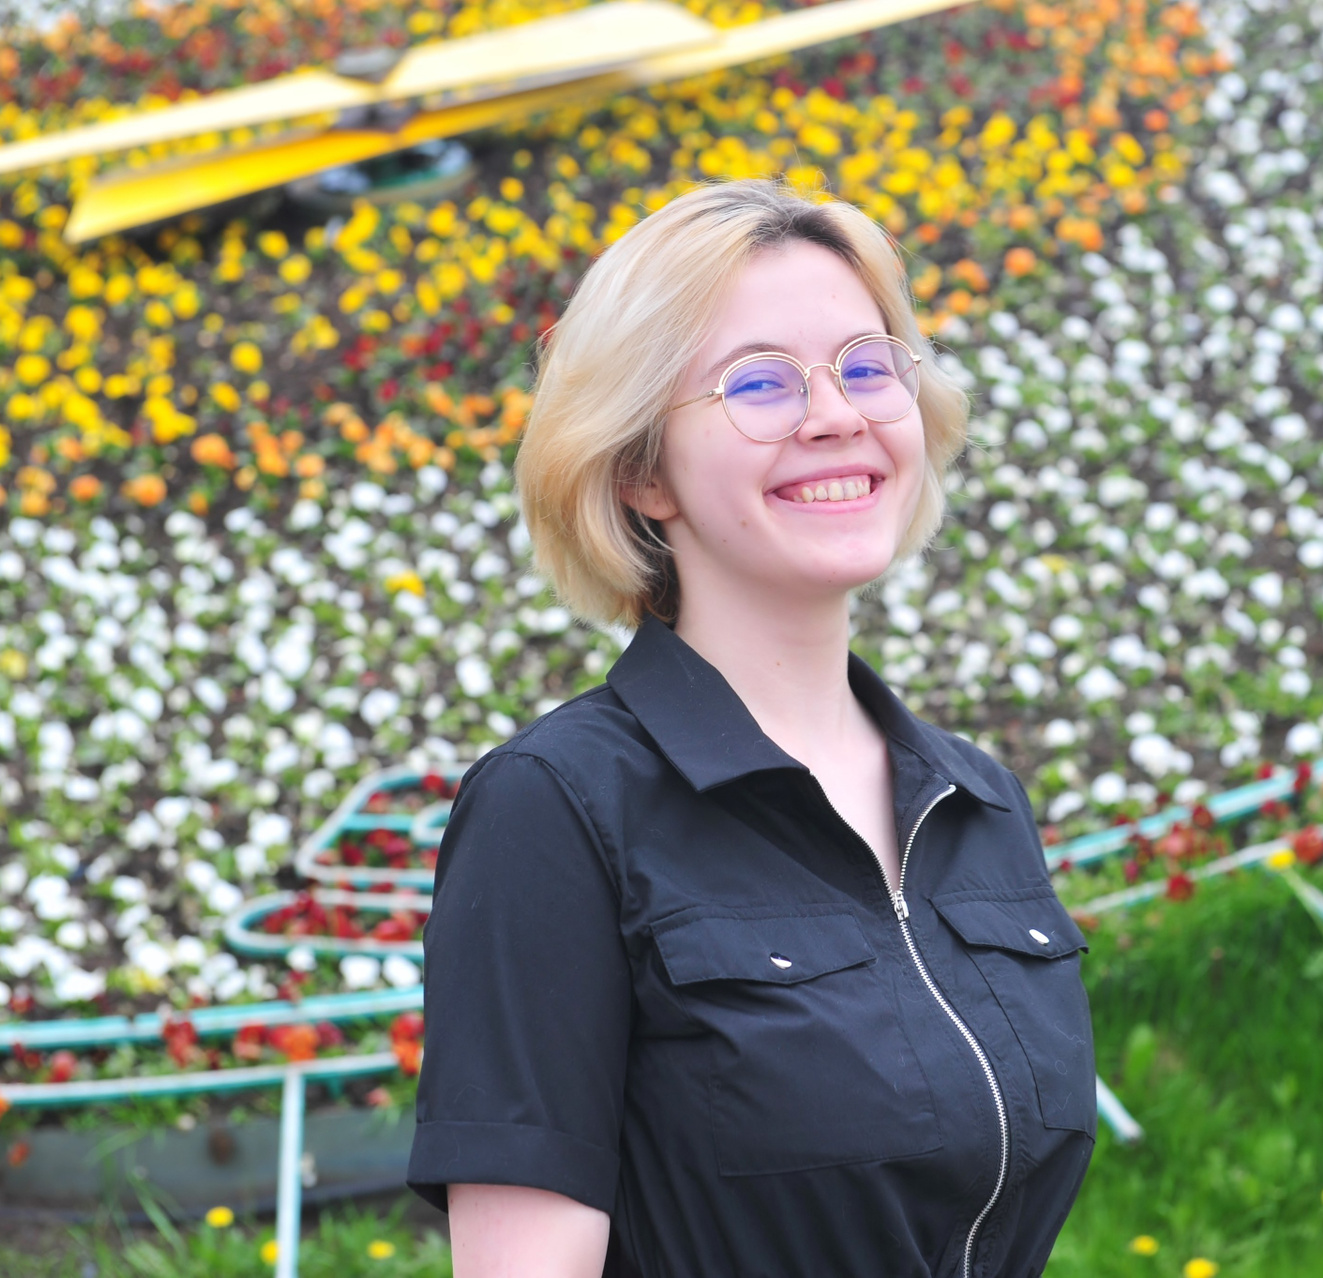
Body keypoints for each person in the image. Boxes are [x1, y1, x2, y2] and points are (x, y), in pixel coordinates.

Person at [407, 177, 1095, 1277]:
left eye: (867, 367)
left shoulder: (975, 803)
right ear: (642, 472)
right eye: (760, 383)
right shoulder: (560, 810)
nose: (838, 414)